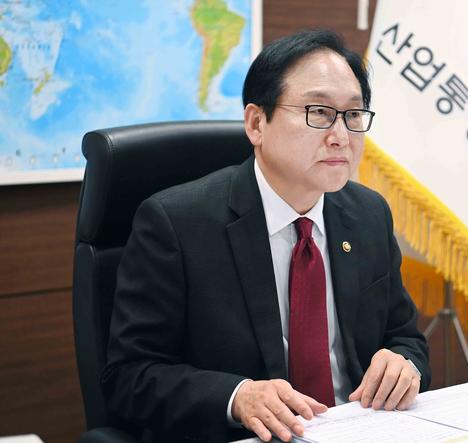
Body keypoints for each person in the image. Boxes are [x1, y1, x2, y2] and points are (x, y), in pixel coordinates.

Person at [102, 29, 431, 443]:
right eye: (319, 112)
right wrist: (237, 397)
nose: (341, 136)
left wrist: (404, 364)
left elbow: (405, 337)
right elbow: (128, 376)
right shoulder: (176, 223)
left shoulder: (368, 214)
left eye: (353, 114)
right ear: (256, 123)